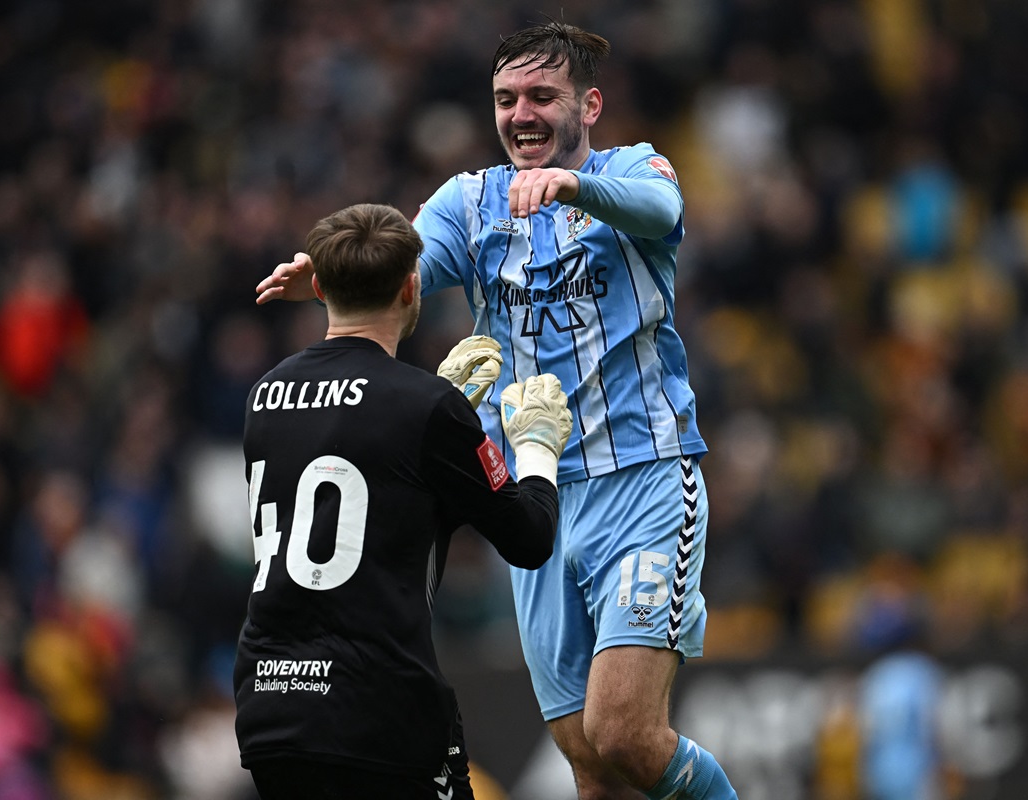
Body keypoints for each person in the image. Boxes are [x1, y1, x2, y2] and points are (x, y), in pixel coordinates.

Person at [256, 21, 738, 800]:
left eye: (542, 96)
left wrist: (575, 188)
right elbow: (402, 260)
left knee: (626, 731)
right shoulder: (472, 201)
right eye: (506, 99)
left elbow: (659, 208)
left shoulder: (631, 169)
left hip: (645, 482)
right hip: (537, 502)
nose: (522, 114)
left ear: (590, 104)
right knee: (588, 757)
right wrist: (337, 265)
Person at [234, 203, 573, 799]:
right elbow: (530, 537)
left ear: (318, 287)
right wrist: (538, 446)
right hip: (378, 711)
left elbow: (373, 482)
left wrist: (444, 427)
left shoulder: (266, 393)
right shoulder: (426, 408)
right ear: (412, 286)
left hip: (272, 709)